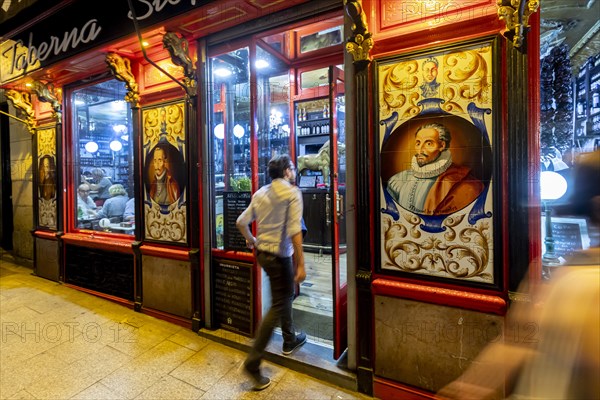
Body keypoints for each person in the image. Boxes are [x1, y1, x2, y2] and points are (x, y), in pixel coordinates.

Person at [437, 150, 600, 400]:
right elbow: (518, 342)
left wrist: (470, 386)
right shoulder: (579, 281)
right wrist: (470, 388)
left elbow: (517, 342)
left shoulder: (566, 277)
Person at [236, 154, 307, 391]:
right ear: (287, 171)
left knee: (283, 296)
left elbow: (241, 221)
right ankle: (253, 362)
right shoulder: (292, 193)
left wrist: (251, 240)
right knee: (279, 303)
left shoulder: (260, 193)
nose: (294, 172)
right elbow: (296, 231)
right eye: (293, 168)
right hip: (279, 256)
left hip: (262, 254)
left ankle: (289, 338)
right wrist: (301, 264)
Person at [386, 122, 484, 215]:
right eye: (418, 143)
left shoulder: (466, 184)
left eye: (428, 143)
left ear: (442, 145)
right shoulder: (397, 181)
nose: (420, 149)